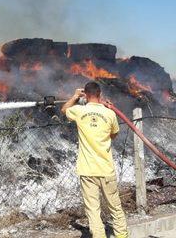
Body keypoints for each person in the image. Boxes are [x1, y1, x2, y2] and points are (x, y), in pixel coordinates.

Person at [61, 81, 128, 238]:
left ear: (85, 94)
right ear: (100, 94)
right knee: (115, 208)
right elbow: (114, 134)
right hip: (106, 170)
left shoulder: (78, 111)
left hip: (87, 170)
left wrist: (75, 96)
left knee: (93, 211)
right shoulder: (110, 113)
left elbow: (64, 110)